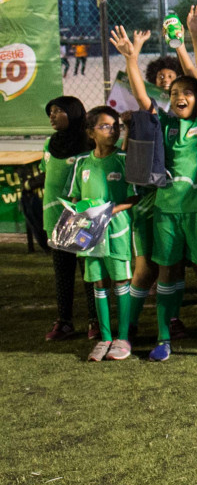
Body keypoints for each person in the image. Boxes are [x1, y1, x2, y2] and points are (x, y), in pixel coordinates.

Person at [111, 18, 197, 361]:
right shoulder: (163, 124)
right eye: (175, 93)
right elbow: (141, 98)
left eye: (187, 93)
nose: (180, 96)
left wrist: (193, 40)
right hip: (166, 211)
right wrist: (131, 59)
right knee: (165, 272)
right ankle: (163, 338)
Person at [69, 106, 139, 361]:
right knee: (98, 282)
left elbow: (134, 197)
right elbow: (76, 198)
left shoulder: (123, 159)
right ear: (90, 132)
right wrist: (78, 218)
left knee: (121, 281)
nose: (113, 131)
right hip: (90, 233)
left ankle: (123, 338)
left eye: (116, 126)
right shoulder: (82, 163)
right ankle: (105, 337)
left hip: (117, 230)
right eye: (106, 126)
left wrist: (110, 212)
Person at [41, 96, 89, 341]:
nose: (52, 115)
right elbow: (46, 174)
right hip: (54, 220)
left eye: (59, 111)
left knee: (89, 271)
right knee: (62, 272)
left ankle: (95, 321)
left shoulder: (88, 144)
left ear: (74, 113)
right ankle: (64, 322)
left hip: (80, 219)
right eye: (51, 111)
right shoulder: (49, 144)